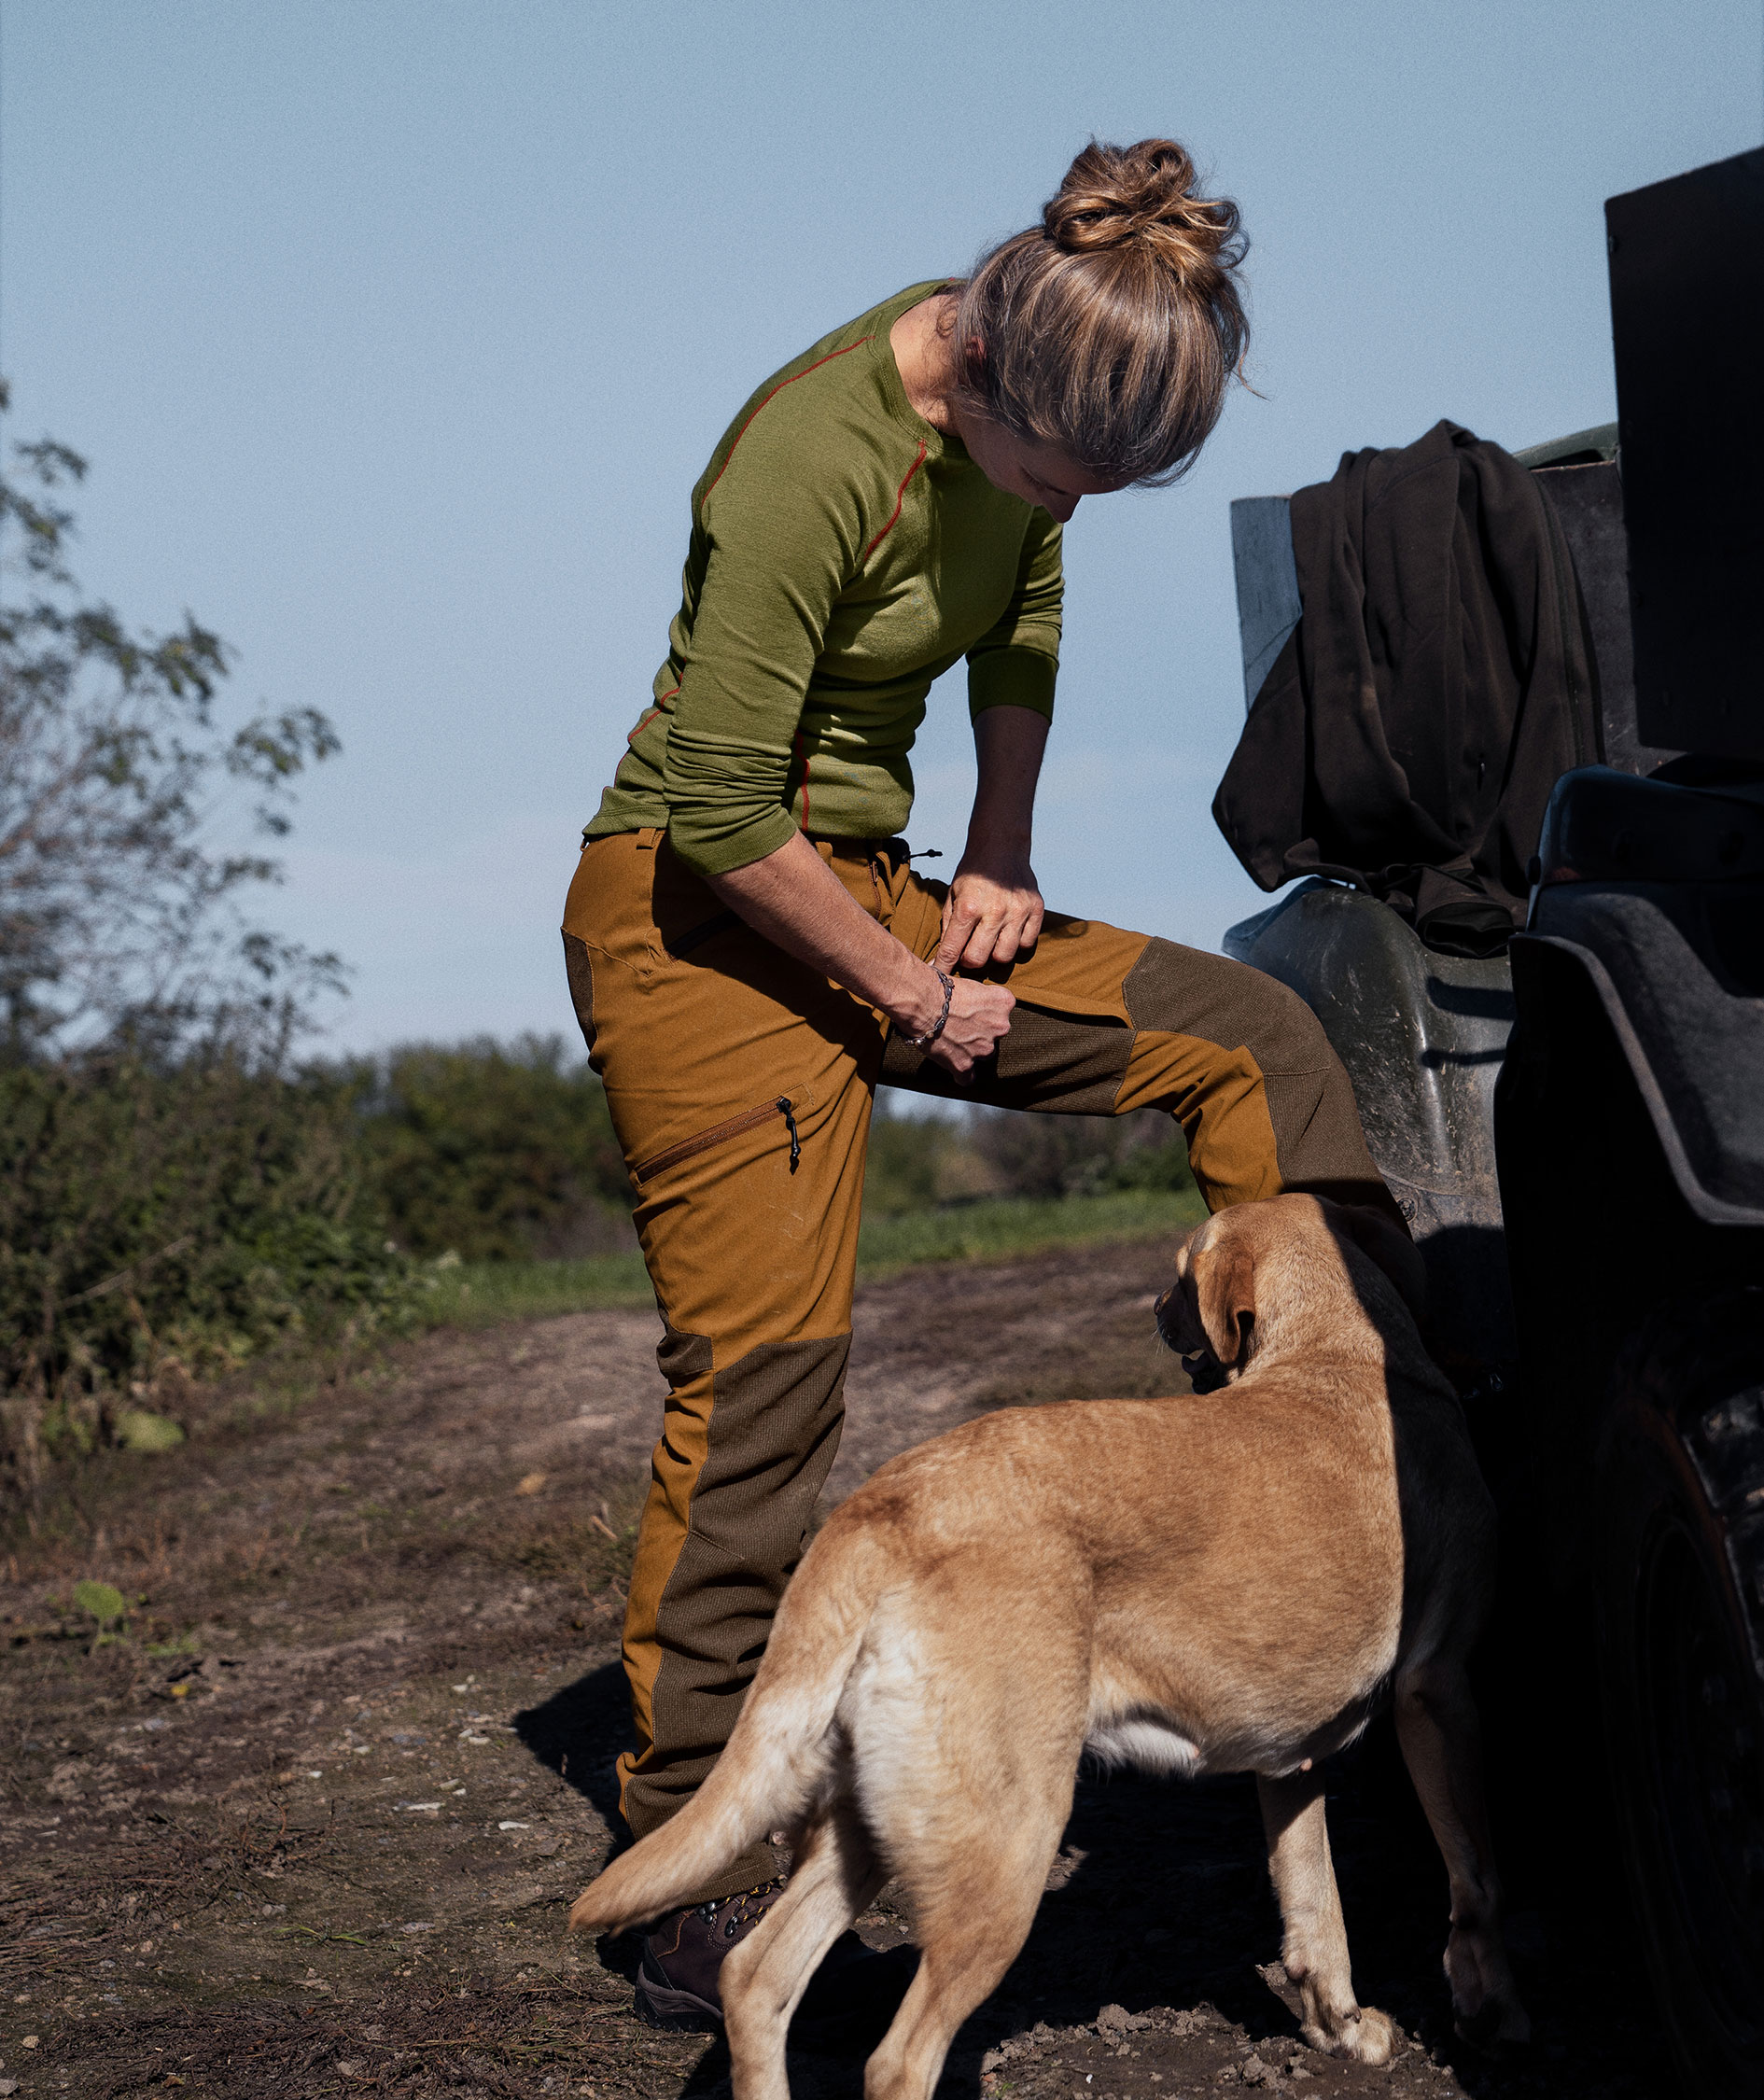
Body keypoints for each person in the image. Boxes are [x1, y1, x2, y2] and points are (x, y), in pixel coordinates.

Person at [561, 136, 1401, 2030]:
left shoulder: (1031, 444)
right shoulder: (811, 456)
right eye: (1056, 475)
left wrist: (1000, 849)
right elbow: (709, 802)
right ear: (986, 367)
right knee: (771, 1379)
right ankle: (686, 1856)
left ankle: (1325, 1545)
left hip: (878, 890)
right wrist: (898, 992)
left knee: (1250, 1039)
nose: (1069, 509)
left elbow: (1016, 613)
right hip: (704, 914)